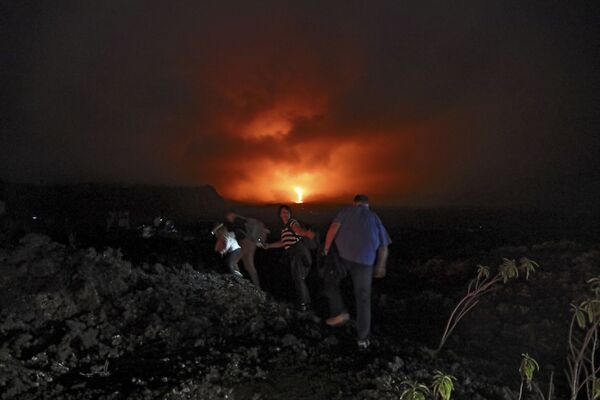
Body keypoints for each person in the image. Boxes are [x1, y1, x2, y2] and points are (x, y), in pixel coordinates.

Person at [322, 194, 391, 350]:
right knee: (363, 298)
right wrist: (381, 266)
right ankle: (363, 338)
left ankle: (340, 312)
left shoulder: (346, 211)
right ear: (367, 204)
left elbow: (333, 228)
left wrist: (326, 248)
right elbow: (384, 247)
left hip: (344, 257)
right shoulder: (374, 217)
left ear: (355, 203)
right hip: (366, 261)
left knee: (330, 282)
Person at [263, 205, 316, 311]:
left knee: (298, 278)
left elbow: (298, 230)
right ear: (280, 215)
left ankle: (302, 304)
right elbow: (283, 243)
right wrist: (268, 246)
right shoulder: (284, 229)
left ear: (290, 214)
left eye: (287, 212)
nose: (285, 214)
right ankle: (306, 303)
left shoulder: (292, 222)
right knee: (299, 278)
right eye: (283, 212)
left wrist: (305, 233)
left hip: (298, 251)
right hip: (295, 252)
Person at [225, 211, 266, 287]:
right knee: (248, 266)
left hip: (247, 243)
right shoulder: (240, 220)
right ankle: (256, 286)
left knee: (235, 262)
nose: (228, 219)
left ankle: (239, 281)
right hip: (248, 243)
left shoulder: (238, 221)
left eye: (229, 217)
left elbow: (242, 233)